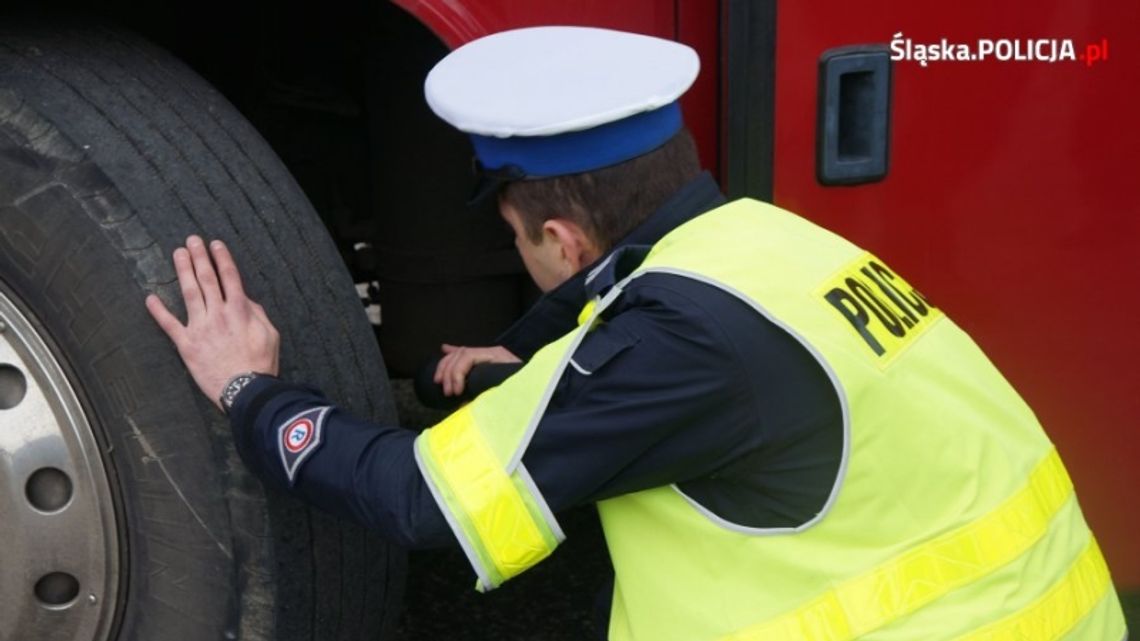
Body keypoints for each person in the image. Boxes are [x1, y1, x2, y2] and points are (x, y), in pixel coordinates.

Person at [146, 26, 1127, 641]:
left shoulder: (672, 353)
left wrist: (251, 389)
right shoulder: (770, 240)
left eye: (518, 239)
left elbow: (423, 502)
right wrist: (523, 366)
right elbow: (647, 332)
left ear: (561, 235)